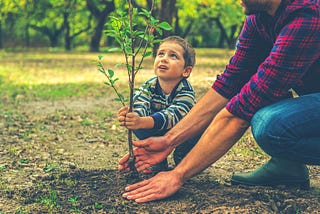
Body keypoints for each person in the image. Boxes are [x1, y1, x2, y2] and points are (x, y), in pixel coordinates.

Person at [118, 0, 320, 203]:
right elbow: (230, 82)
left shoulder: (307, 15)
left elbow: (241, 111)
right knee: (266, 99)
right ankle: (287, 166)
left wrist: (177, 174)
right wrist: (169, 140)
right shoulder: (258, 17)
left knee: (271, 125)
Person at [117, 36, 201, 172]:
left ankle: (185, 157)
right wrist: (133, 117)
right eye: (160, 54)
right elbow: (140, 102)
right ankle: (158, 158)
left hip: (182, 133)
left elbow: (173, 116)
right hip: (157, 129)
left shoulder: (186, 91)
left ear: (186, 71)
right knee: (138, 124)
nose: (164, 58)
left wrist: (143, 121)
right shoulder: (150, 85)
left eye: (173, 56)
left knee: (197, 131)